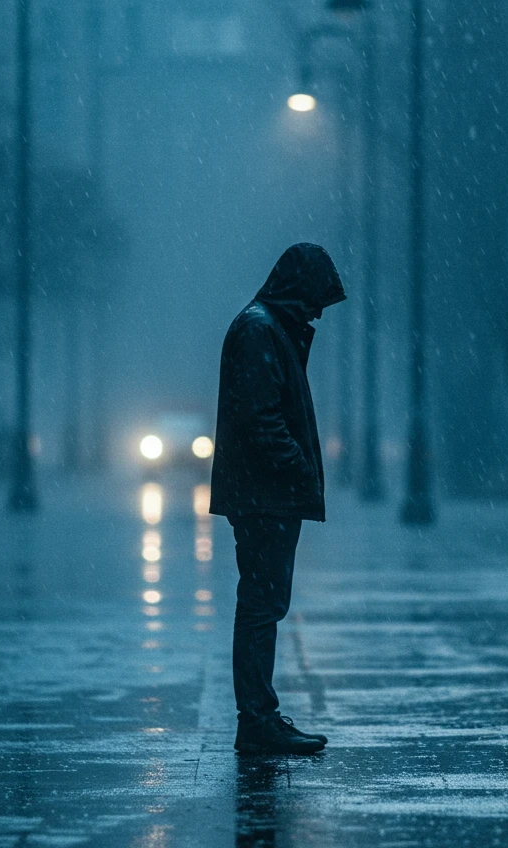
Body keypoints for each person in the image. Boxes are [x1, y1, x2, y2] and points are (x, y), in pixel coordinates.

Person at [210, 243, 346, 756]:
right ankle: (257, 719)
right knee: (261, 605)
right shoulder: (260, 331)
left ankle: (259, 716)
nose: (316, 312)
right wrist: (299, 468)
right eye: (315, 299)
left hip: (265, 493)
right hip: (264, 495)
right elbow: (262, 421)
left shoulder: (264, 328)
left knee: (263, 604)